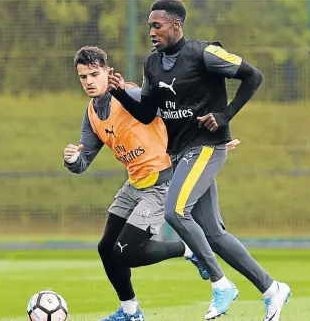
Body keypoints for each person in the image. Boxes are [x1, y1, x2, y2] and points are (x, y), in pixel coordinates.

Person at [108, 0, 291, 321]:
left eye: (157, 25)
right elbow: (148, 113)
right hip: (179, 154)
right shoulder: (152, 64)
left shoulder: (204, 53)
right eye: (149, 25)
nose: (151, 31)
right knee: (214, 234)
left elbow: (254, 76)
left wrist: (225, 115)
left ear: (176, 25)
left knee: (176, 212)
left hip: (207, 147)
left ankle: (221, 284)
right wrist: (120, 91)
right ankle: (272, 289)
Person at [64, 46, 239, 321]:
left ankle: (190, 249)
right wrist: (73, 159)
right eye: (83, 77)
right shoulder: (92, 113)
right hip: (135, 184)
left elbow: (174, 110)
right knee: (106, 249)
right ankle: (131, 313)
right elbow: (83, 161)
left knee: (127, 253)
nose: (88, 82)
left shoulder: (130, 95)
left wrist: (208, 139)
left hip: (161, 182)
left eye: (94, 74)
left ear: (108, 72)